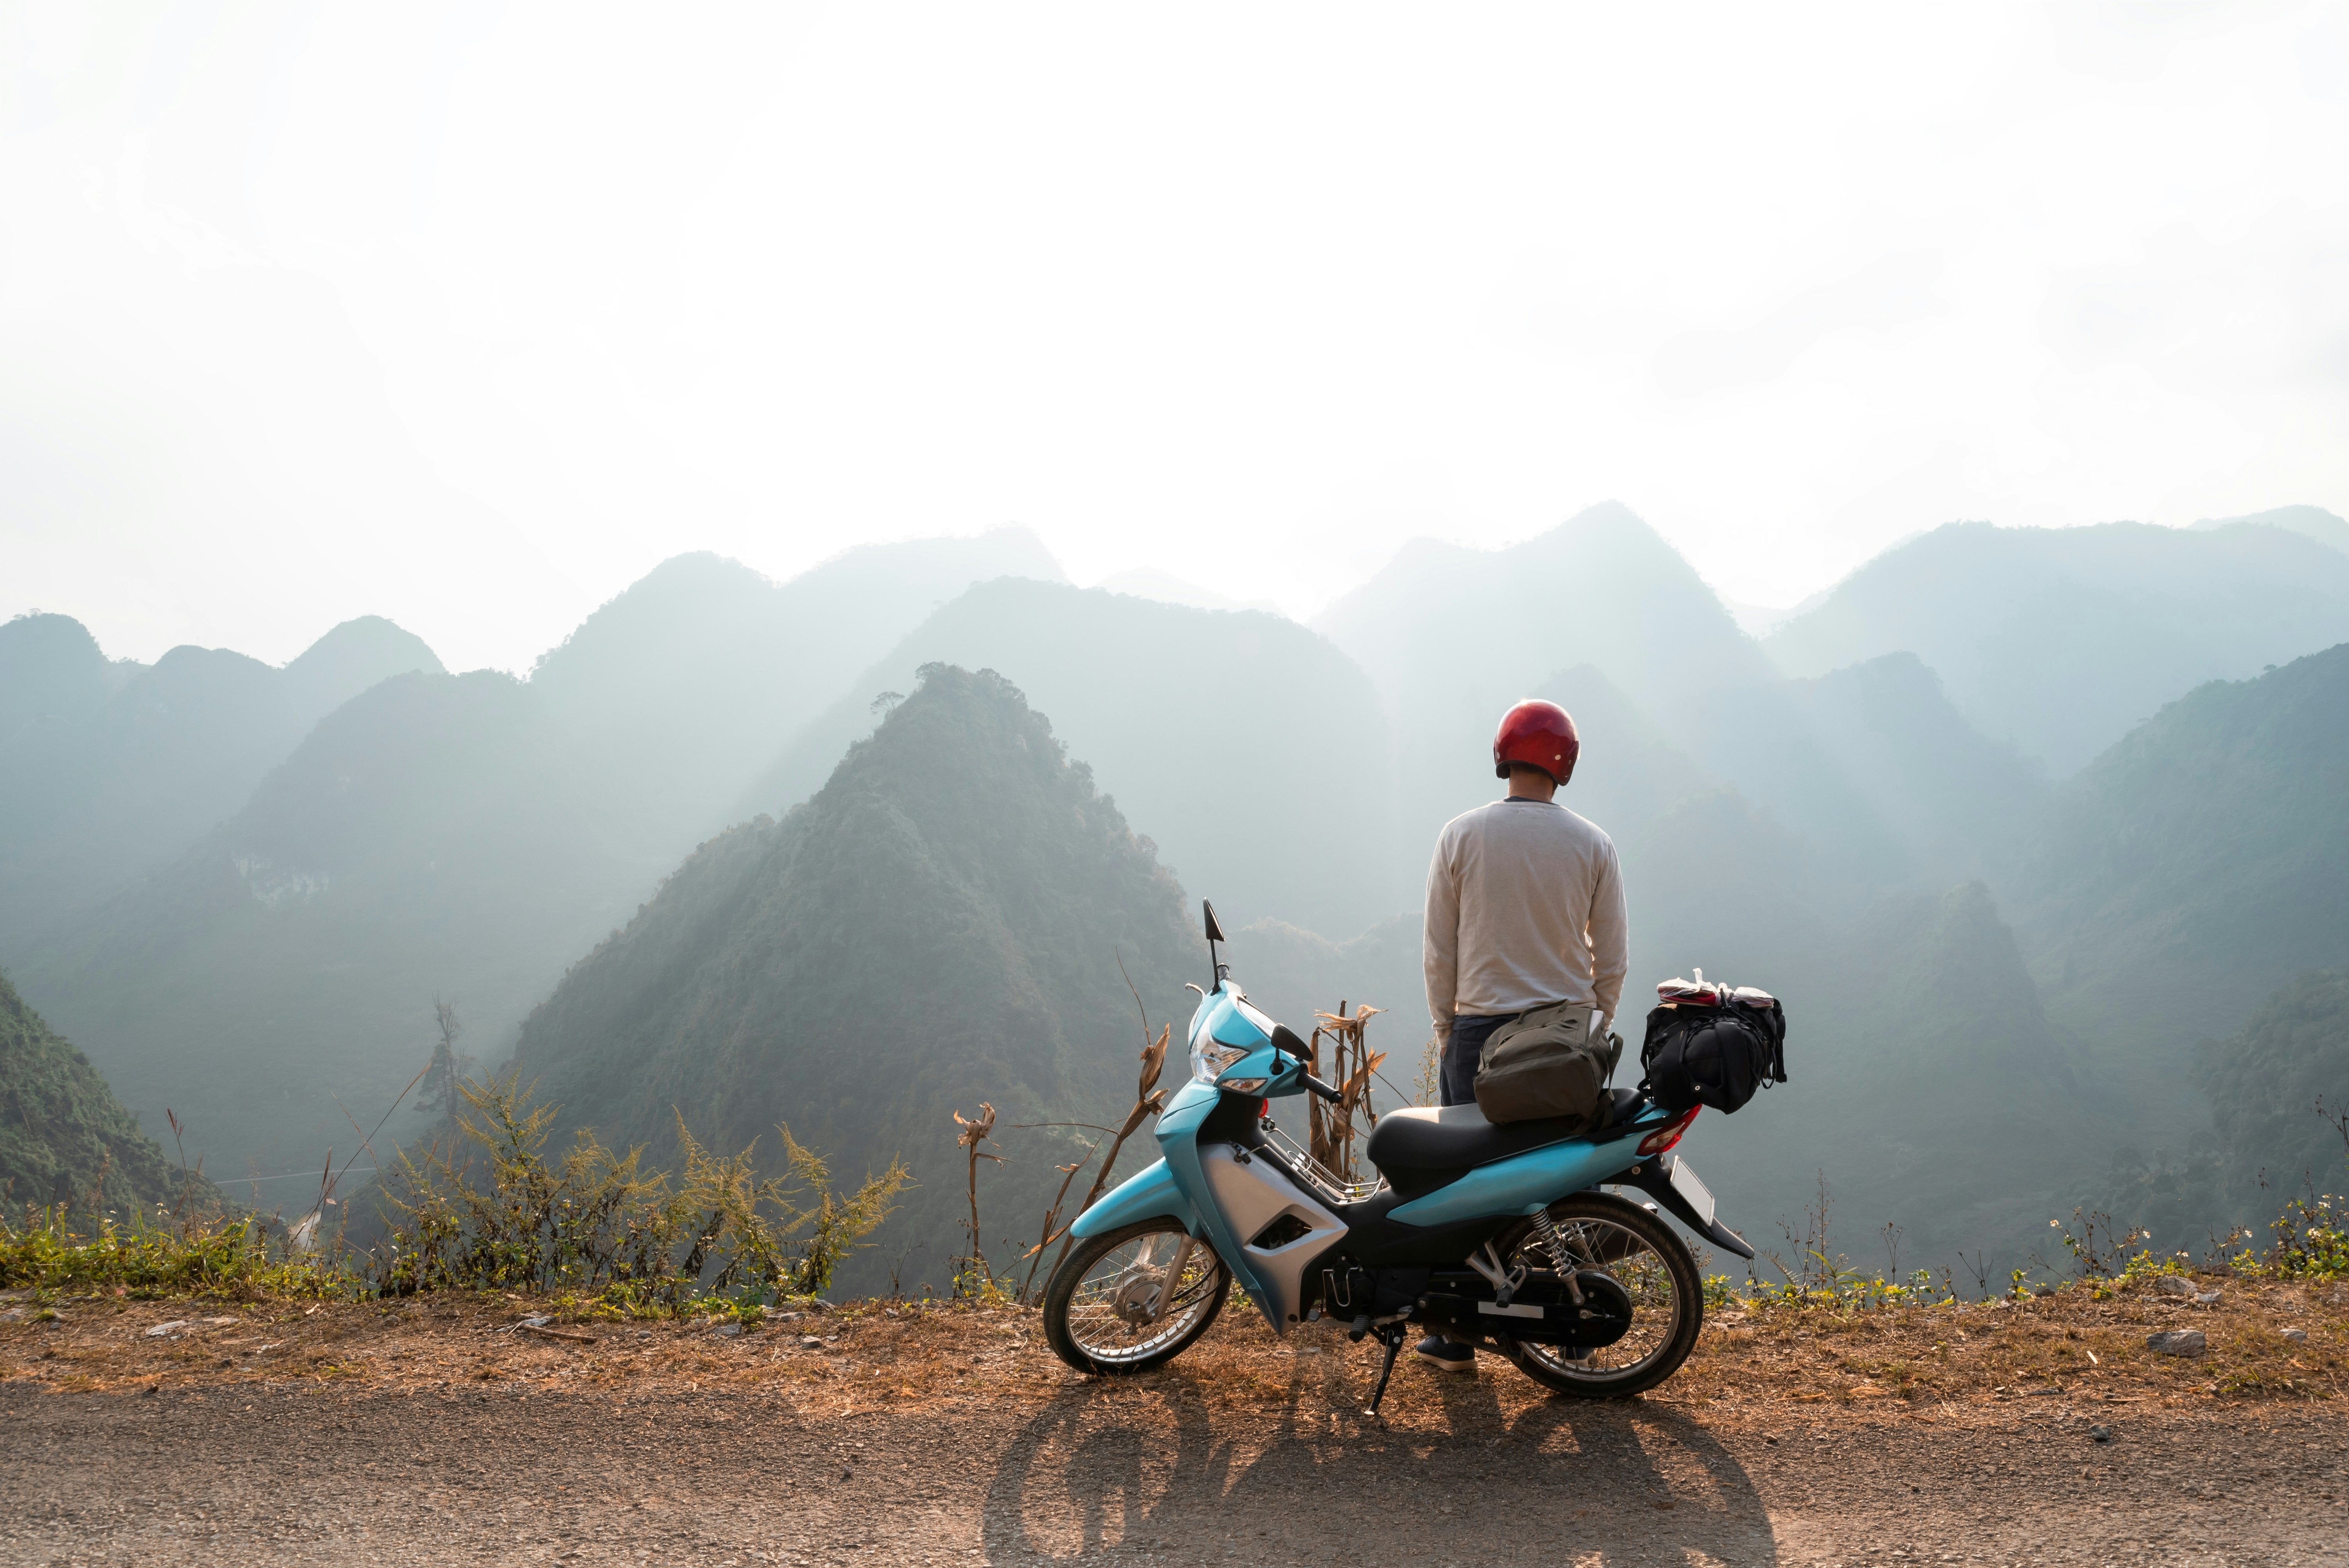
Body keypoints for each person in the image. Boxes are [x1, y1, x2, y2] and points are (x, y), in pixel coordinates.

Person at [1413, 697, 1628, 1372]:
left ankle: (1455, 1339)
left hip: (1478, 1036)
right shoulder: (1593, 843)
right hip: (1562, 1039)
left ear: (1503, 755)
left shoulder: (1461, 835)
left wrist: (1448, 1030)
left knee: (1462, 1187)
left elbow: (1438, 951)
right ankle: (1573, 1333)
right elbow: (1612, 958)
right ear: (1564, 766)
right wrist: (1595, 1026)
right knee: (1562, 1182)